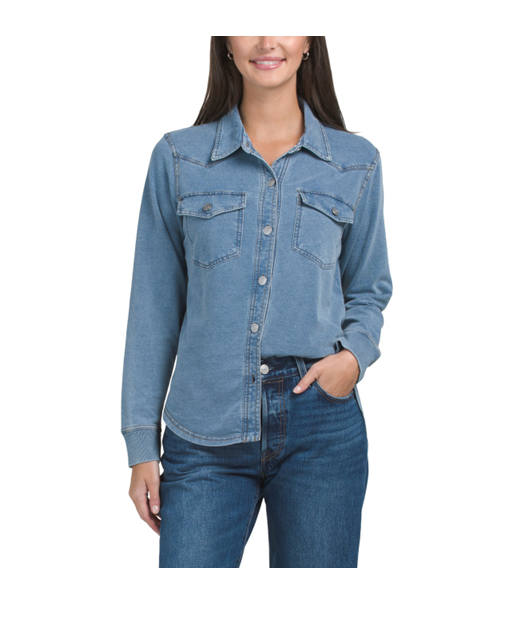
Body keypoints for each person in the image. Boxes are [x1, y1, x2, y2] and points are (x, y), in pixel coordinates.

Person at [121, 36, 393, 568]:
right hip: (204, 431)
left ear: (310, 42)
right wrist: (140, 445)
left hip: (321, 427)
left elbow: (369, 287)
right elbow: (152, 308)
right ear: (224, 42)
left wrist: (353, 359)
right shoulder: (178, 157)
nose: (268, 40)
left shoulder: (356, 163)